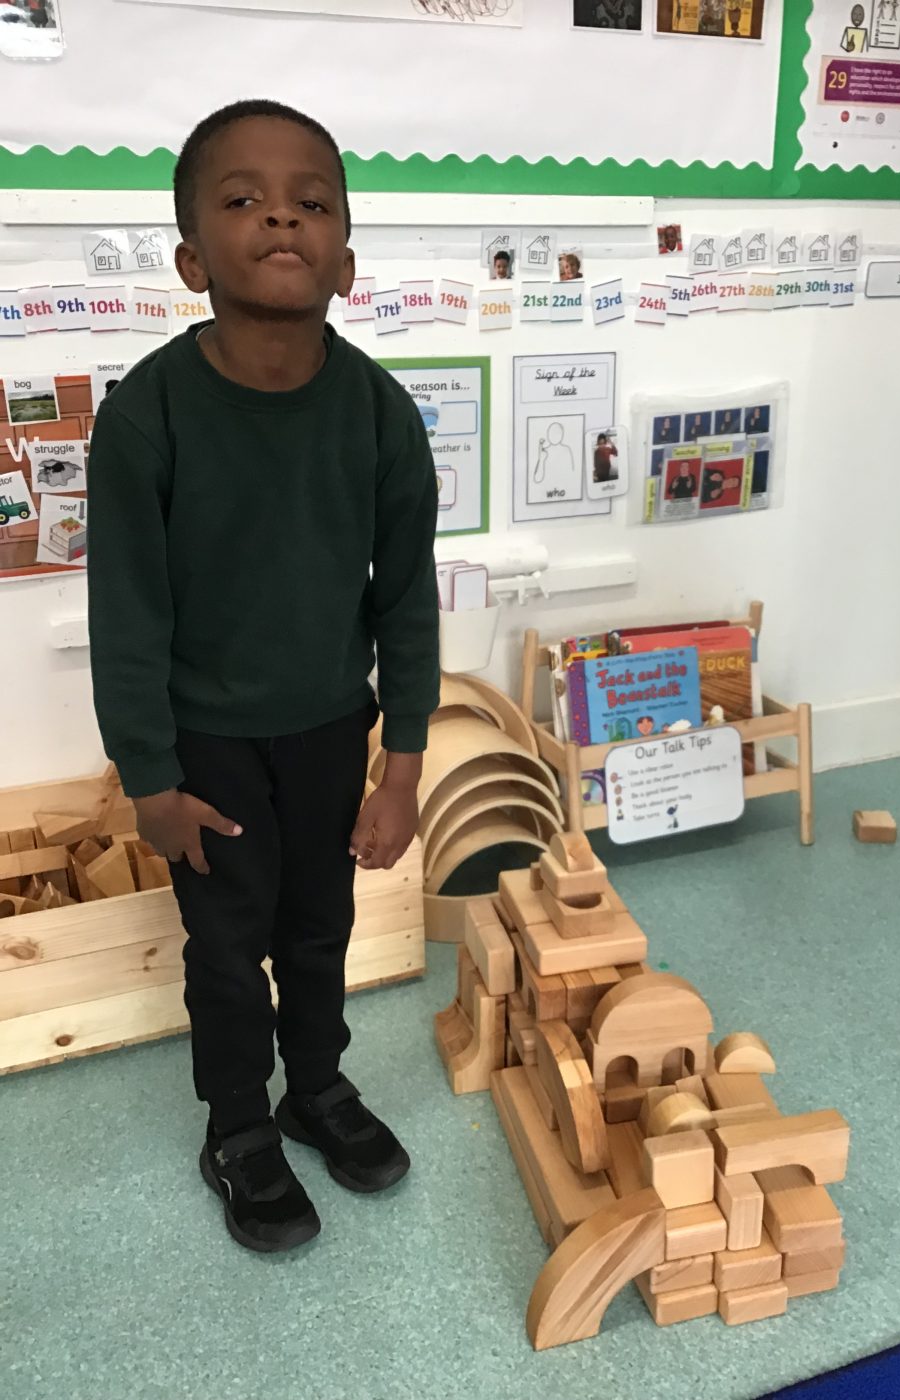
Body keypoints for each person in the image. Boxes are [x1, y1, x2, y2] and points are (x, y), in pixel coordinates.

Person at [87, 100, 439, 1255]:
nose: (282, 215)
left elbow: (406, 600)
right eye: (243, 198)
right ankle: (238, 1122)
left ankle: (316, 1087)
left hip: (332, 728)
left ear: (347, 259)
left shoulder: (381, 415)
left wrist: (402, 767)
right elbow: (126, 616)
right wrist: (150, 779)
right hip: (209, 749)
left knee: (322, 926)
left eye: (311, 200)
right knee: (230, 947)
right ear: (193, 259)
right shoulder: (146, 417)